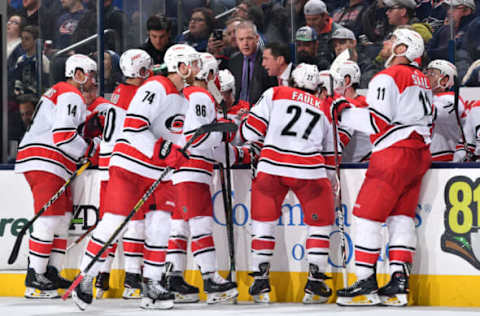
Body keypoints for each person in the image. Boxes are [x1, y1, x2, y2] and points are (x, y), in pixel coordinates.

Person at [71, 44, 198, 311]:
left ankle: (151, 281)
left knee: (162, 224)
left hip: (157, 174)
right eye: (194, 63)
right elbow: (135, 125)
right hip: (129, 165)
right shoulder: (156, 86)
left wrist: (178, 153)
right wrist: (163, 149)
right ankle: (86, 276)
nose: (197, 69)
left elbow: (173, 137)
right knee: (114, 222)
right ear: (182, 66)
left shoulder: (184, 98)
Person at [334, 28, 433, 306]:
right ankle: (398, 282)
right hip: (418, 154)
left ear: (402, 49)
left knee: (367, 217)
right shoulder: (423, 79)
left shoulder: (388, 76)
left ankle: (366, 281)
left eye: (391, 40)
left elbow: (378, 123)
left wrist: (343, 111)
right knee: (400, 217)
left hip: (393, 153)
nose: (385, 44)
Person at [239, 63, 336, 304]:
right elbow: (332, 152)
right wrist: (332, 182)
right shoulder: (324, 107)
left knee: (263, 221)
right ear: (316, 87)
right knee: (319, 224)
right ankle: (315, 283)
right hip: (310, 169)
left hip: (271, 165)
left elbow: (251, 132)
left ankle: (260, 281)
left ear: (291, 80)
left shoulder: (275, 92)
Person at [15, 54, 98, 299]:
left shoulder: (62, 92)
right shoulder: (69, 93)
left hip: (55, 162)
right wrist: (89, 149)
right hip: (45, 160)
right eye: (90, 73)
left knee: (62, 219)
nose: (93, 79)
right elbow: (63, 135)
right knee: (50, 218)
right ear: (78, 73)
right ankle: (35, 277)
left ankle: (51, 272)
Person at [171, 52, 239, 304]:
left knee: (180, 225)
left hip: (179, 168)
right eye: (214, 74)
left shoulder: (183, 94)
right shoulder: (200, 95)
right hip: (193, 167)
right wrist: (222, 134)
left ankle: (173, 277)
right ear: (208, 74)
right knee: (200, 222)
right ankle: (211, 279)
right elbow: (197, 135)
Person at [91, 49, 154, 300]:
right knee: (135, 221)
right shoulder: (139, 94)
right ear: (139, 71)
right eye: (146, 69)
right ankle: (131, 279)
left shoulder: (118, 91)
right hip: (125, 164)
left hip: (107, 165)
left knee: (111, 222)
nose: (149, 74)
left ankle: (101, 276)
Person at [331, 60, 371, 162]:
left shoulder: (351, 107)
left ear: (347, 81)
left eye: (335, 80)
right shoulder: (367, 102)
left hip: (358, 167)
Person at [227, 20, 276, 104]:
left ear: (257, 38)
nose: (245, 43)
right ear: (236, 41)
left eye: (249, 38)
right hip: (236, 111)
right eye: (241, 39)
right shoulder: (233, 60)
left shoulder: (268, 60)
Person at [425, 59, 466, 161]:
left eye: (432, 73)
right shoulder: (429, 98)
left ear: (444, 80)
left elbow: (427, 112)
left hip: (445, 161)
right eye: (427, 72)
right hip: (426, 158)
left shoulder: (451, 100)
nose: (426, 76)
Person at [304, 0, 341, 70]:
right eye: (308, 19)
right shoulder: (304, 32)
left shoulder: (337, 32)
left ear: (325, 16)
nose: (311, 23)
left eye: (315, 19)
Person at [14, 25, 50, 97]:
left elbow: (47, 83)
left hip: (38, 97)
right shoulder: (20, 60)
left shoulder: (42, 59)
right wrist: (17, 91)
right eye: (22, 39)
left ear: (35, 41)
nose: (23, 42)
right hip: (23, 97)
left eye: (27, 39)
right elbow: (18, 80)